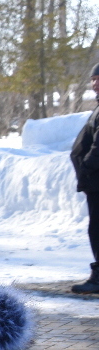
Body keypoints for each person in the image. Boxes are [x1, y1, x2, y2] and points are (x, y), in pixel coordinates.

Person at [71, 62, 99, 293]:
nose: (95, 83)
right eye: (93, 79)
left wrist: (87, 166)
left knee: (98, 229)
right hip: (93, 182)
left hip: (97, 180)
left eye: (98, 78)